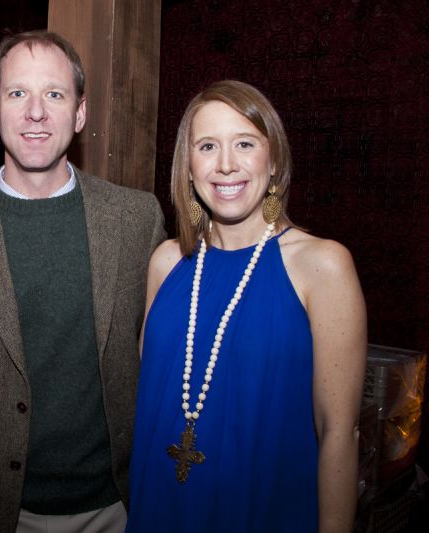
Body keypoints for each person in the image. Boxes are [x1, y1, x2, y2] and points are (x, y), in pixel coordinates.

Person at [0, 31, 165, 533]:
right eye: (17, 94)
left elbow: (158, 359)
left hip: (118, 504)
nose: (35, 112)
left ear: (80, 113)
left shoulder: (138, 220)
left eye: (54, 94)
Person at [127, 80, 366, 532]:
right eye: (207, 146)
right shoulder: (166, 262)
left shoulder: (322, 266)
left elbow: (339, 432)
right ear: (189, 166)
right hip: (159, 508)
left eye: (244, 143)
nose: (226, 165)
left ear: (273, 160)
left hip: (263, 510)